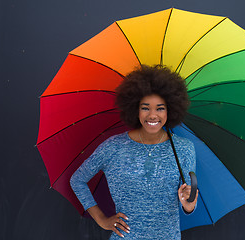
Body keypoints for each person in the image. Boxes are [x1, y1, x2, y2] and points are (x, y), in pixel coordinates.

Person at [70, 65, 198, 239]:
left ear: (171, 109)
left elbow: (188, 202)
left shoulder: (184, 149)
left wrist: (188, 204)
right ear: (135, 109)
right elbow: (77, 180)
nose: (153, 115)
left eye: (160, 108)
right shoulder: (114, 147)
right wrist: (101, 220)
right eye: (145, 107)